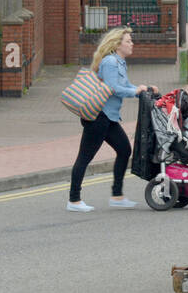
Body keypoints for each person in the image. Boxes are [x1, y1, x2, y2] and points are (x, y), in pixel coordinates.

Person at [68, 27, 158, 212]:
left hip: (109, 118)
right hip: (98, 117)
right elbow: (112, 87)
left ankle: (117, 196)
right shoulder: (110, 62)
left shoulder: (120, 62)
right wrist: (135, 91)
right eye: (128, 41)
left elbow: (123, 85)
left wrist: (143, 88)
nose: (132, 43)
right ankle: (74, 200)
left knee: (125, 150)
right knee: (85, 157)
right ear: (118, 45)